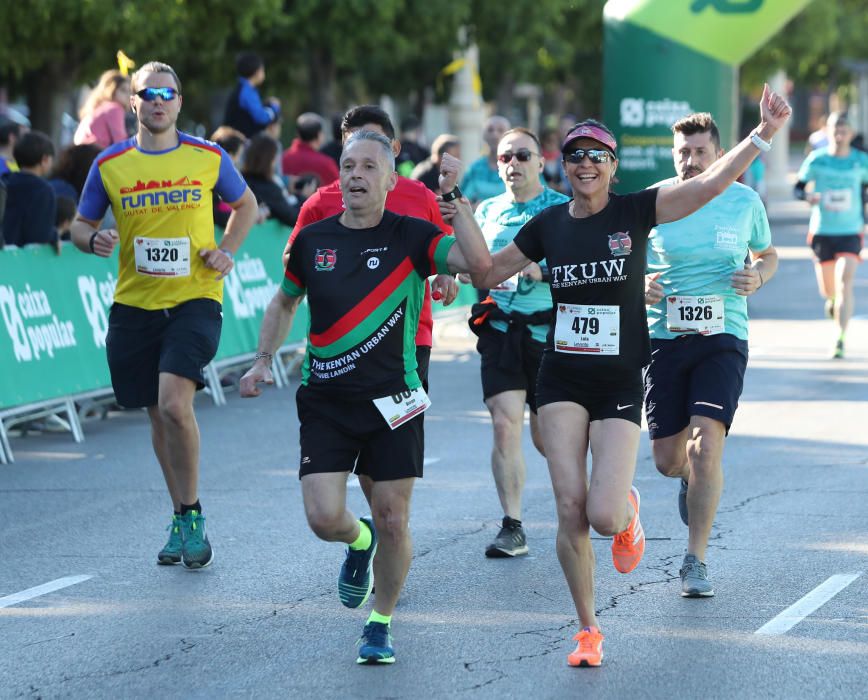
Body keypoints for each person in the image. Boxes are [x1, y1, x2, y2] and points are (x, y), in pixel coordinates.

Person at [462, 85, 790, 667]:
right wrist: (457, 217)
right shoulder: (547, 225)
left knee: (603, 514)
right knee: (568, 508)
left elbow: (711, 184)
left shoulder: (638, 210)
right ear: (564, 167)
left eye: (597, 155)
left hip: (618, 381)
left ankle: (629, 514)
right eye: (576, 155)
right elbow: (485, 269)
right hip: (561, 376)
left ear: (612, 167)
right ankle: (588, 629)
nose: (585, 163)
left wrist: (761, 134)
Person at [239, 133, 491, 665]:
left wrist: (457, 207)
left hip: (394, 401)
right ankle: (358, 541)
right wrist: (263, 360)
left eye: (369, 167)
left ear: (391, 179)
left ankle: (380, 622)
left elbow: (479, 265)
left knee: (396, 517)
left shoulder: (413, 235)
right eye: (348, 166)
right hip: (327, 400)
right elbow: (284, 304)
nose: (355, 175)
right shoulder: (313, 239)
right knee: (324, 517)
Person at [70, 60, 259, 569]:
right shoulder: (109, 165)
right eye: (148, 93)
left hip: (196, 298)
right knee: (157, 414)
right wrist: (95, 239)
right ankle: (179, 514)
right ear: (133, 103)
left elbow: (247, 206)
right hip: (134, 303)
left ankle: (192, 514)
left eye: (167, 93)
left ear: (179, 103)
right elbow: (80, 226)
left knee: (175, 405)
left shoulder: (208, 156)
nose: (157, 101)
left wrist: (227, 250)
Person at [642, 112, 778, 599]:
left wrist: (758, 276)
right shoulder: (655, 203)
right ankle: (687, 479)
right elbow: (629, 262)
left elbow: (768, 253)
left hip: (724, 335)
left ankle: (694, 559)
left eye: (700, 151)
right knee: (666, 458)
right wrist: (641, 285)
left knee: (707, 444)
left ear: (718, 154)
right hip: (665, 338)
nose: (690, 160)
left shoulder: (744, 201)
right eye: (682, 151)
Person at [281, 105, 459, 398]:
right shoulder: (321, 201)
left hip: (408, 340)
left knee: (396, 440)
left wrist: (446, 272)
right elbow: (291, 259)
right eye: (353, 148)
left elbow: (450, 249)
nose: (361, 163)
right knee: (338, 437)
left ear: (394, 149)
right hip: (339, 347)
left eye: (374, 148)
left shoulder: (419, 195)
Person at [454, 127, 568, 557]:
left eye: (523, 156)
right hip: (500, 329)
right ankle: (513, 525)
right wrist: (453, 276)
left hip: (551, 332)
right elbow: (470, 266)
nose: (513, 164)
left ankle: (589, 501)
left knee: (548, 438)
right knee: (504, 425)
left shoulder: (561, 209)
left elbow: (589, 271)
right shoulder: (487, 211)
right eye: (505, 157)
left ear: (542, 162)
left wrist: (544, 272)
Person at [794, 112, 868, 359]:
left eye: (844, 129)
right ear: (827, 131)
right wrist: (808, 197)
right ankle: (831, 301)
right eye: (835, 129)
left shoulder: (861, 160)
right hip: (823, 231)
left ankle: (840, 338)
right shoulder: (817, 159)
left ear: (851, 133)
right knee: (829, 290)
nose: (839, 134)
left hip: (850, 230)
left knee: (845, 281)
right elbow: (798, 188)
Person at [1, 130, 58, 249]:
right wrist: (53, 235)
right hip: (23, 261)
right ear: (45, 160)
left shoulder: (4, 181)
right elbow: (40, 235)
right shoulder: (44, 190)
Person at [243, 133, 302, 227]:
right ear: (270, 160)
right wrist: (302, 197)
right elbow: (293, 218)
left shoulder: (240, 180)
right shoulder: (270, 189)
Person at [223, 52, 281, 138]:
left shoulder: (243, 88)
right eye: (262, 70)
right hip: (242, 143)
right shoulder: (247, 91)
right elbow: (261, 118)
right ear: (256, 72)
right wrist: (274, 108)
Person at [460, 115, 510, 205]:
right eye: (490, 130)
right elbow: (462, 201)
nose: (495, 135)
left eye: (500, 130)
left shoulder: (517, 165)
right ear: (483, 135)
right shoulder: (475, 169)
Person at [74, 70, 132, 148]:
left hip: (81, 152)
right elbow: (120, 142)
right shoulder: (114, 108)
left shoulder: (99, 107)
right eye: (123, 90)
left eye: (129, 91)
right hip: (93, 154)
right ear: (111, 89)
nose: (128, 95)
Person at [281, 112, 340, 187]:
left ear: (298, 134)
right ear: (319, 135)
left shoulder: (283, 159)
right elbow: (339, 191)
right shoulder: (326, 164)